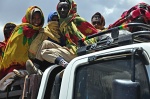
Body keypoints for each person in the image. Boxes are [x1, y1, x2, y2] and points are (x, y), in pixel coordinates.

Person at [0, 6, 44, 80]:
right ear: (29, 18)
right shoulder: (22, 29)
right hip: (15, 65)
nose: (36, 21)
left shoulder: (42, 32)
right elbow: (15, 52)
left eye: (38, 18)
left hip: (35, 62)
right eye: (34, 18)